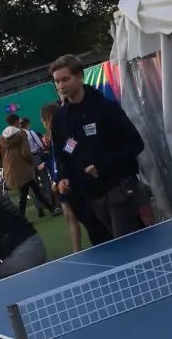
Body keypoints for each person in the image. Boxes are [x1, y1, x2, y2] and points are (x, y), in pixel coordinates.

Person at [50, 54, 146, 240]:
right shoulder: (60, 119)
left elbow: (136, 144)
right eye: (57, 81)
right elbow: (61, 155)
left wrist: (102, 166)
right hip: (89, 197)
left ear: (79, 76)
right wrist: (62, 178)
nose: (61, 85)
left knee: (127, 244)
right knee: (112, 249)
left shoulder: (105, 107)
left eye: (65, 79)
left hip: (119, 189)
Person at [41, 101, 85, 254]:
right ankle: (76, 250)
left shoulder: (66, 134)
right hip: (61, 182)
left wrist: (59, 177)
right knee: (69, 216)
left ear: (48, 119)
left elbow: (67, 155)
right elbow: (57, 159)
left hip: (70, 181)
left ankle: (78, 249)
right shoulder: (53, 138)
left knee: (78, 215)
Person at [0, 114, 52, 218]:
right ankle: (24, 216)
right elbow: (26, 153)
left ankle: (48, 209)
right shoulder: (21, 135)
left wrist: (6, 161)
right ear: (16, 122)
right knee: (31, 191)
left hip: (11, 170)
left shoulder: (0, 139)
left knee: (29, 191)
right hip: (24, 168)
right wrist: (31, 163)